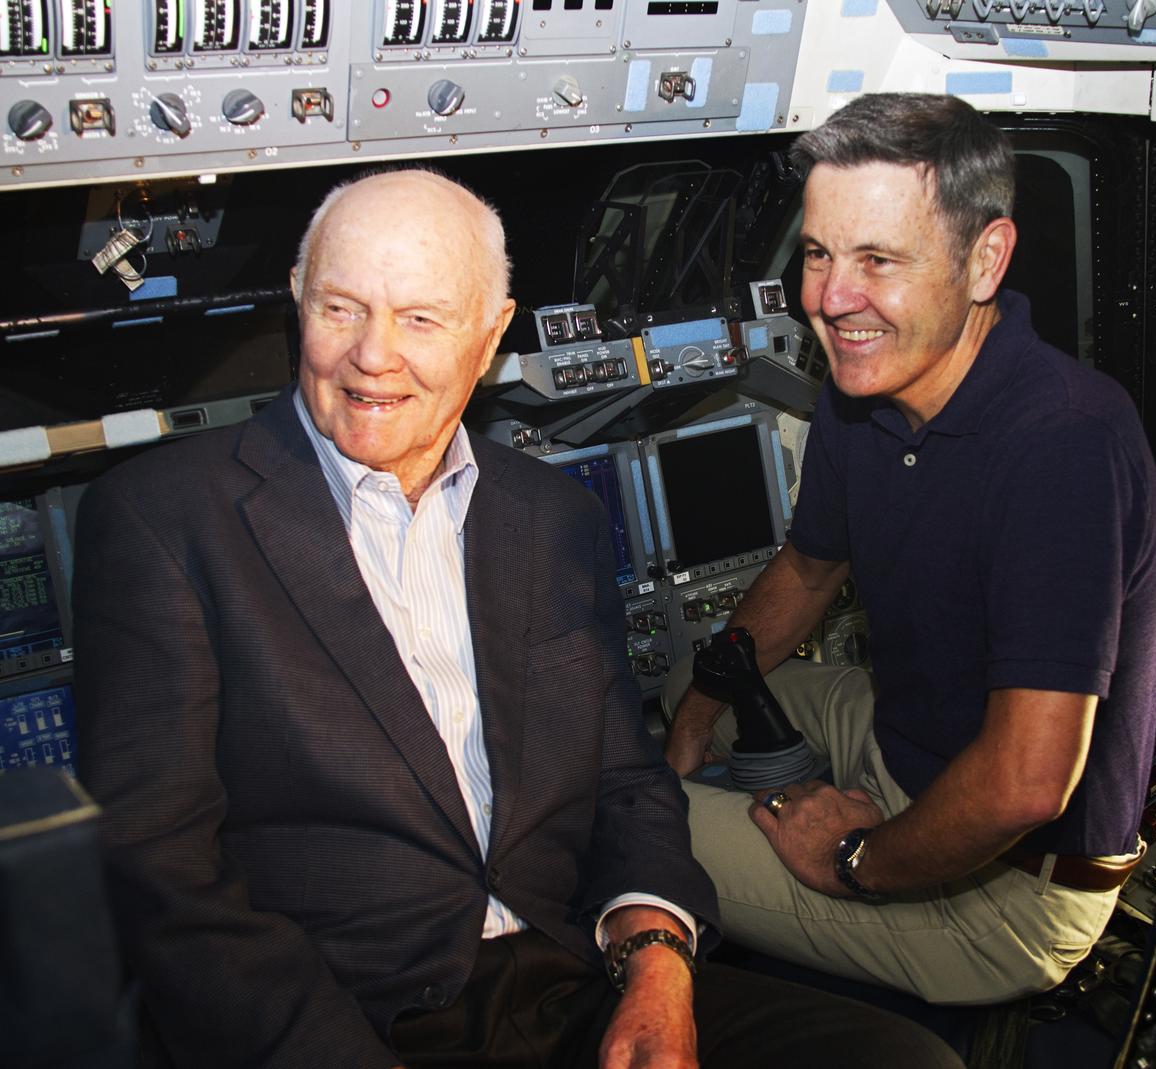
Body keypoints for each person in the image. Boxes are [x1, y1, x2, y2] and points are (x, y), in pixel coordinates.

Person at [73, 169, 963, 1068]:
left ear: (492, 335)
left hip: (570, 972)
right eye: (341, 308)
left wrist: (656, 967)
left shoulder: (550, 517)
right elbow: (160, 869)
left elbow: (625, 781)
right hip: (353, 1010)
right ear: (298, 305)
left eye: (421, 319)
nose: (373, 355)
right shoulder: (167, 518)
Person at [664, 93, 1156, 1006]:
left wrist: (851, 856)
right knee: (670, 697)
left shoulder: (1064, 442)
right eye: (818, 253)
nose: (831, 298)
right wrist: (698, 716)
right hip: (908, 742)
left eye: (877, 260)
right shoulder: (864, 389)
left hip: (1015, 888)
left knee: (637, 822)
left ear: (985, 260)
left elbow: (1023, 783)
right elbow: (809, 571)